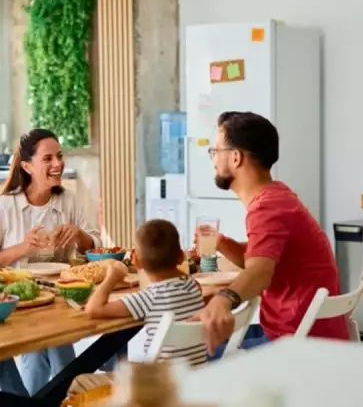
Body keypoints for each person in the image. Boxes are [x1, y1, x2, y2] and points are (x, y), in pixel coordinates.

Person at [194, 111, 349, 356]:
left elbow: (260, 273)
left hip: (296, 346)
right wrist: (222, 243)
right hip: (310, 336)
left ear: (235, 157)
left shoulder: (266, 207)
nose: (213, 159)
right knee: (199, 344)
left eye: (216, 151)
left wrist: (223, 298)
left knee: (185, 361)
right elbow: (261, 258)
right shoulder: (278, 195)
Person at [0, 128, 102, 395]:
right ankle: (67, 394)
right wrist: (22, 248)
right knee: (52, 354)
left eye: (60, 156)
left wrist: (79, 235)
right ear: (27, 166)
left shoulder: (69, 200)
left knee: (46, 352)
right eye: (48, 159)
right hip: (19, 305)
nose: (58, 164)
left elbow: (97, 245)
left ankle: (52, 397)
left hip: (63, 299)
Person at [85, 219, 207, 366]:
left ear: (136, 261)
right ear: (181, 256)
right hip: (195, 381)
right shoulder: (193, 286)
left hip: (158, 386)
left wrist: (111, 278)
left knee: (78, 381)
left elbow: (93, 309)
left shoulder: (149, 298)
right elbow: (184, 277)